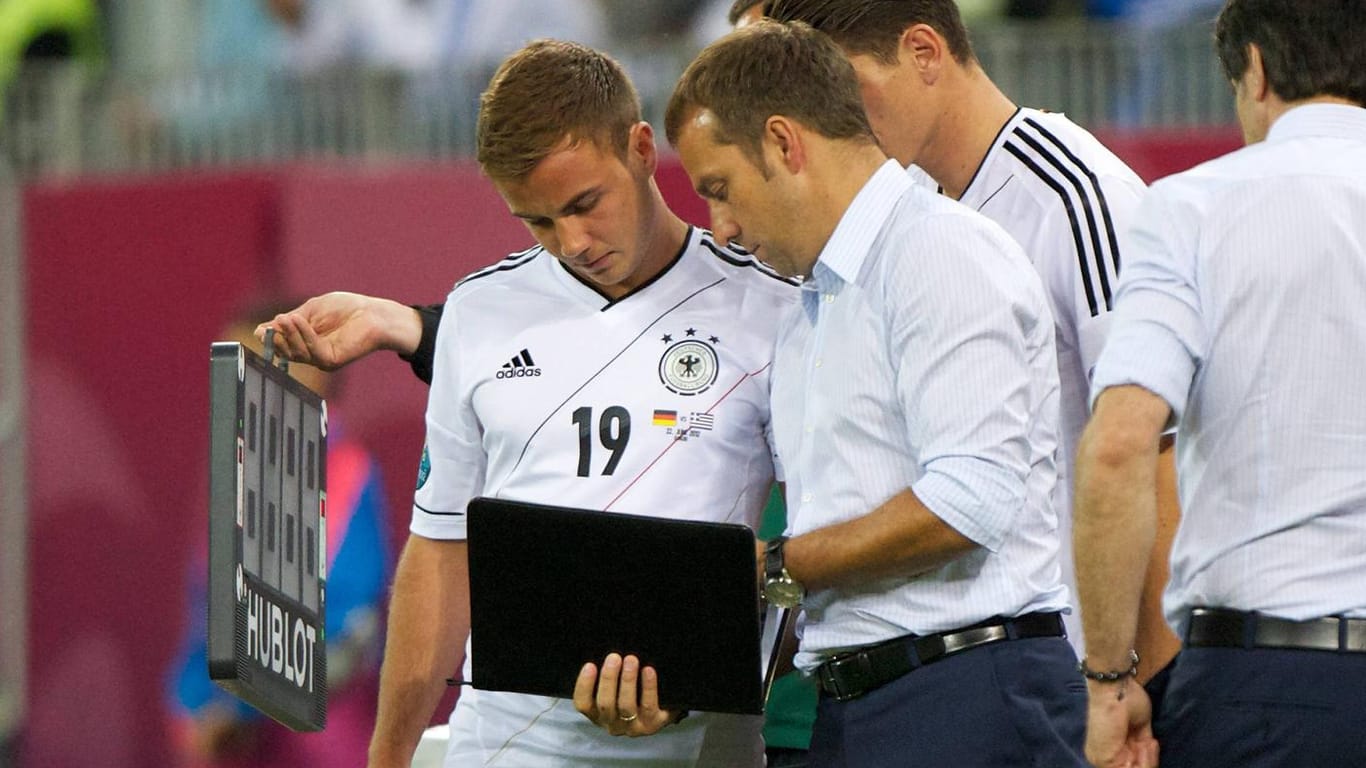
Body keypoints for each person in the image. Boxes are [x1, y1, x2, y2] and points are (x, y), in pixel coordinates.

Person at [347, 39, 795, 768]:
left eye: (586, 204)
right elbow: (439, 551)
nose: (572, 242)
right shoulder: (478, 309)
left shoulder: (772, 306)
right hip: (506, 743)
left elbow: (811, 548)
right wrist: (388, 756)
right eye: (538, 221)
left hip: (697, 741)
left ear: (642, 149)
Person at [663, 20, 1085, 766]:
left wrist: (772, 570)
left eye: (720, 190)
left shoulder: (940, 253)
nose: (720, 228)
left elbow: (968, 501)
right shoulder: (811, 312)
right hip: (857, 707)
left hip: (966, 698)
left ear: (786, 144)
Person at [764, 0, 1180, 679]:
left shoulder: (1079, 197)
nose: (825, 118)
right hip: (993, 668)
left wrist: (1147, 690)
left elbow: (1158, 461)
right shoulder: (906, 212)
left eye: (843, 88)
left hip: (1081, 677)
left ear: (925, 52)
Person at [1071, 1, 1366, 766]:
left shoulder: (1194, 207)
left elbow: (1120, 447)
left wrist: (1109, 683)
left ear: (1257, 71)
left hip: (1267, 689)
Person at [168, 301, 391, 768]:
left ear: (316, 371)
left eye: (255, 362)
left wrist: (243, 711)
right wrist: (192, 706)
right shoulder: (232, 477)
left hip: (324, 746)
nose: (237, 383)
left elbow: (353, 632)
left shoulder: (349, 476)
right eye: (228, 365)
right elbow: (204, 612)